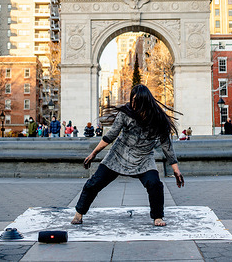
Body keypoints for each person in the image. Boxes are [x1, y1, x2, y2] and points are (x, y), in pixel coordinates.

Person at [71, 84, 184, 227]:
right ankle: (79, 213)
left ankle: (157, 217)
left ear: (146, 101)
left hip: (143, 158)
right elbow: (111, 135)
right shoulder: (126, 113)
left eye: (137, 101)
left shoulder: (158, 119)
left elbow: (167, 146)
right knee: (94, 183)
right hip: (118, 154)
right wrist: (94, 153)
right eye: (132, 100)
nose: (133, 104)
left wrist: (176, 170)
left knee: (155, 184)